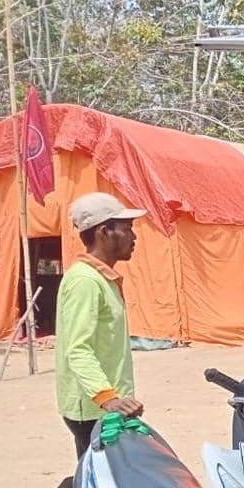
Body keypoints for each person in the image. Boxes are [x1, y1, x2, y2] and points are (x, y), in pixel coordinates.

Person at [56, 192, 146, 460]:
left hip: (109, 405)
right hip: (95, 408)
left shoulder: (102, 278)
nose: (133, 236)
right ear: (104, 232)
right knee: (102, 476)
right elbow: (78, 348)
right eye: (127, 228)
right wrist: (108, 398)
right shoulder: (85, 281)